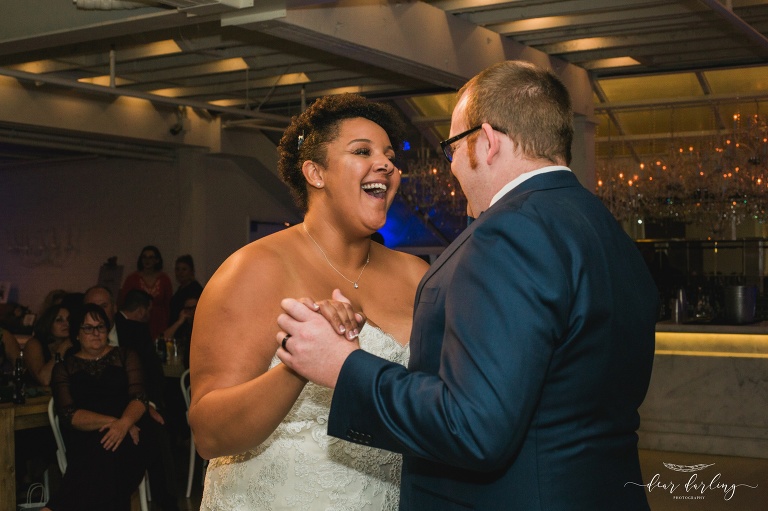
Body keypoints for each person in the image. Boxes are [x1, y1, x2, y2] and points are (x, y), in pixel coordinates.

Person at [276, 61, 659, 510]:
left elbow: (473, 427)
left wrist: (344, 366)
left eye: (453, 147)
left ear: (488, 142)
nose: (453, 165)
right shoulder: (606, 230)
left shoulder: (509, 232)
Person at [189, 93, 429, 510]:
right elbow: (210, 435)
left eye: (390, 156)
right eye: (363, 151)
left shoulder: (416, 275)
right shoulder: (254, 269)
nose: (387, 165)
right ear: (315, 173)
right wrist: (298, 365)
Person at [43, 303, 149, 511]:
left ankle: (55, 507)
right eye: (88, 328)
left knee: (112, 452)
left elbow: (139, 398)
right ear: (76, 334)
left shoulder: (126, 355)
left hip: (130, 433)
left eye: (100, 327)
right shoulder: (64, 368)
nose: (95, 333)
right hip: (87, 434)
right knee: (101, 453)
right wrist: (116, 424)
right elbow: (69, 414)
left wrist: (125, 423)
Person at [85, 286, 180, 511]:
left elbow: (153, 375)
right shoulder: (79, 339)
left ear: (114, 307)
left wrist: (147, 405)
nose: (99, 312)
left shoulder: (135, 331)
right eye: (92, 306)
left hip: (139, 405)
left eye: (104, 305)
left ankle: (167, 503)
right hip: (99, 415)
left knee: (158, 430)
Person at [120, 245, 173, 339]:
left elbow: (169, 304)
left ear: (157, 260)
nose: (147, 260)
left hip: (159, 322)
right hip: (137, 321)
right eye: (144, 257)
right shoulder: (132, 278)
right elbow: (123, 301)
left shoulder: (164, 279)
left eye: (151, 257)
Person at [24, 305, 73, 386]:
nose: (66, 324)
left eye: (69, 320)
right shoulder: (34, 344)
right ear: (48, 323)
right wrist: (63, 348)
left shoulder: (75, 344)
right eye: (59, 320)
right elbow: (44, 380)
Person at [168, 254, 204, 327]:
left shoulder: (195, 289)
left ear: (191, 271)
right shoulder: (180, 290)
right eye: (177, 269)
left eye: (184, 269)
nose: (180, 273)